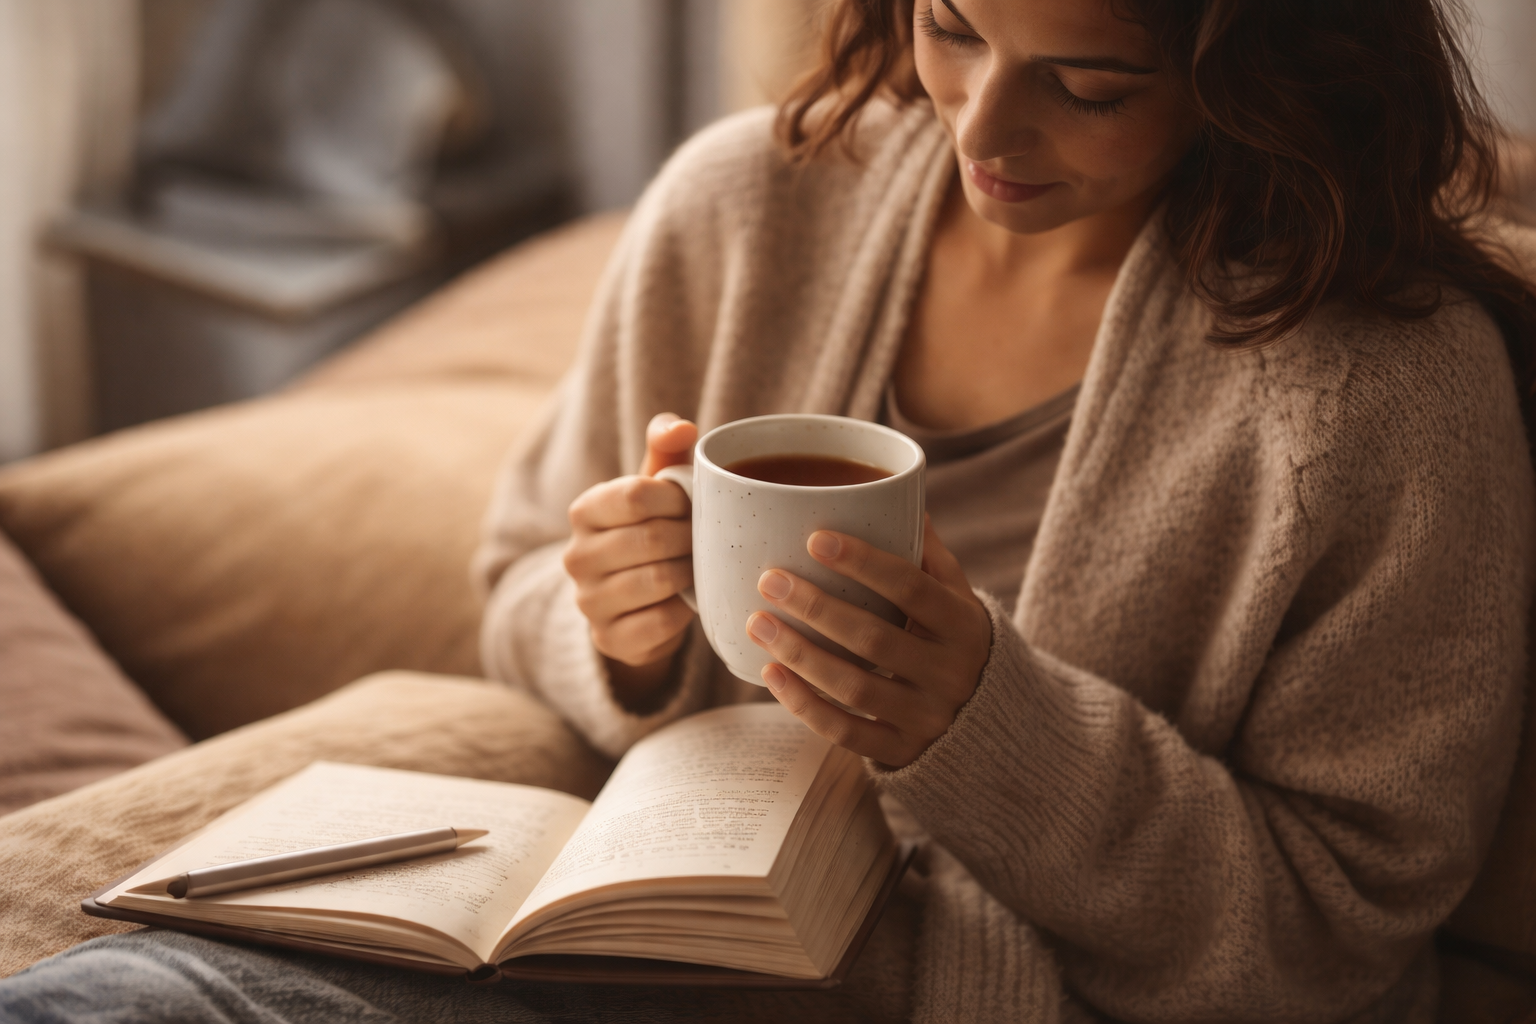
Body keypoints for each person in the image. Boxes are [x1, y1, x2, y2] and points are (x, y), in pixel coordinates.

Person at [2, 1, 1533, 1022]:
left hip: (985, 991)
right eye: (952, 27)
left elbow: (1340, 922)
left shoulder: (1389, 394)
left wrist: (986, 726)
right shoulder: (749, 201)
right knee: (128, 1000)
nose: (984, 128)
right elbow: (522, 565)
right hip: (628, 932)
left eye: (1089, 84)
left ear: (1259, 73)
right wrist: (613, 624)